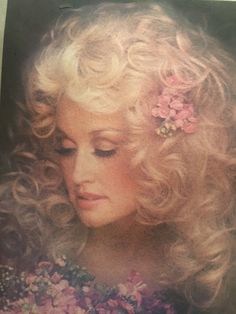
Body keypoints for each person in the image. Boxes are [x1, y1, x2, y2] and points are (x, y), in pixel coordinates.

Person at [0, 2, 236, 313]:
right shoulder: (25, 248)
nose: (78, 173)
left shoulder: (201, 278)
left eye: (105, 149)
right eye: (66, 148)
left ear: (167, 153)